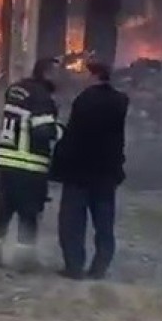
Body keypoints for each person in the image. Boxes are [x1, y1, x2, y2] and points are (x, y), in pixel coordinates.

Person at [51, 61, 129, 280]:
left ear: (93, 75)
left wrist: (58, 165)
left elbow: (74, 136)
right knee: (104, 223)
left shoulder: (84, 101)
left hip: (79, 173)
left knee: (72, 222)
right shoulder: (120, 101)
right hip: (107, 173)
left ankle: (74, 266)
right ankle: (100, 267)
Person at [0, 57, 62, 271]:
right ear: (46, 73)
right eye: (57, 72)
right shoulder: (42, 97)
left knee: (2, 212)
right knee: (28, 216)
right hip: (29, 166)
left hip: (6, 163)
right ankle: (24, 260)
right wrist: (62, 131)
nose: (62, 76)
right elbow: (43, 131)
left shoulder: (16, 90)